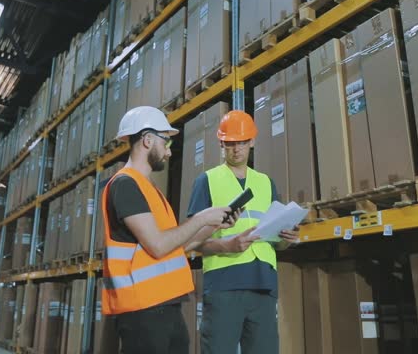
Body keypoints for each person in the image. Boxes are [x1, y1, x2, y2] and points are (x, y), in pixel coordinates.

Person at [100, 106, 239, 353]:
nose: (168, 150)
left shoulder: (148, 188)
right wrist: (202, 217)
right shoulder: (125, 185)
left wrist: (213, 224)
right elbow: (158, 244)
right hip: (142, 310)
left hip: (165, 305)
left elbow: (177, 245)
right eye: (166, 141)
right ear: (147, 140)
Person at [187, 110, 301, 354]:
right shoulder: (206, 181)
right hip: (223, 286)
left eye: (241, 142)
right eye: (229, 144)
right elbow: (191, 242)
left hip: (264, 284)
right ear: (221, 143)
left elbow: (275, 242)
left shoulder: (266, 183)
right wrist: (226, 246)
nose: (236, 149)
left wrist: (286, 240)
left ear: (252, 141)